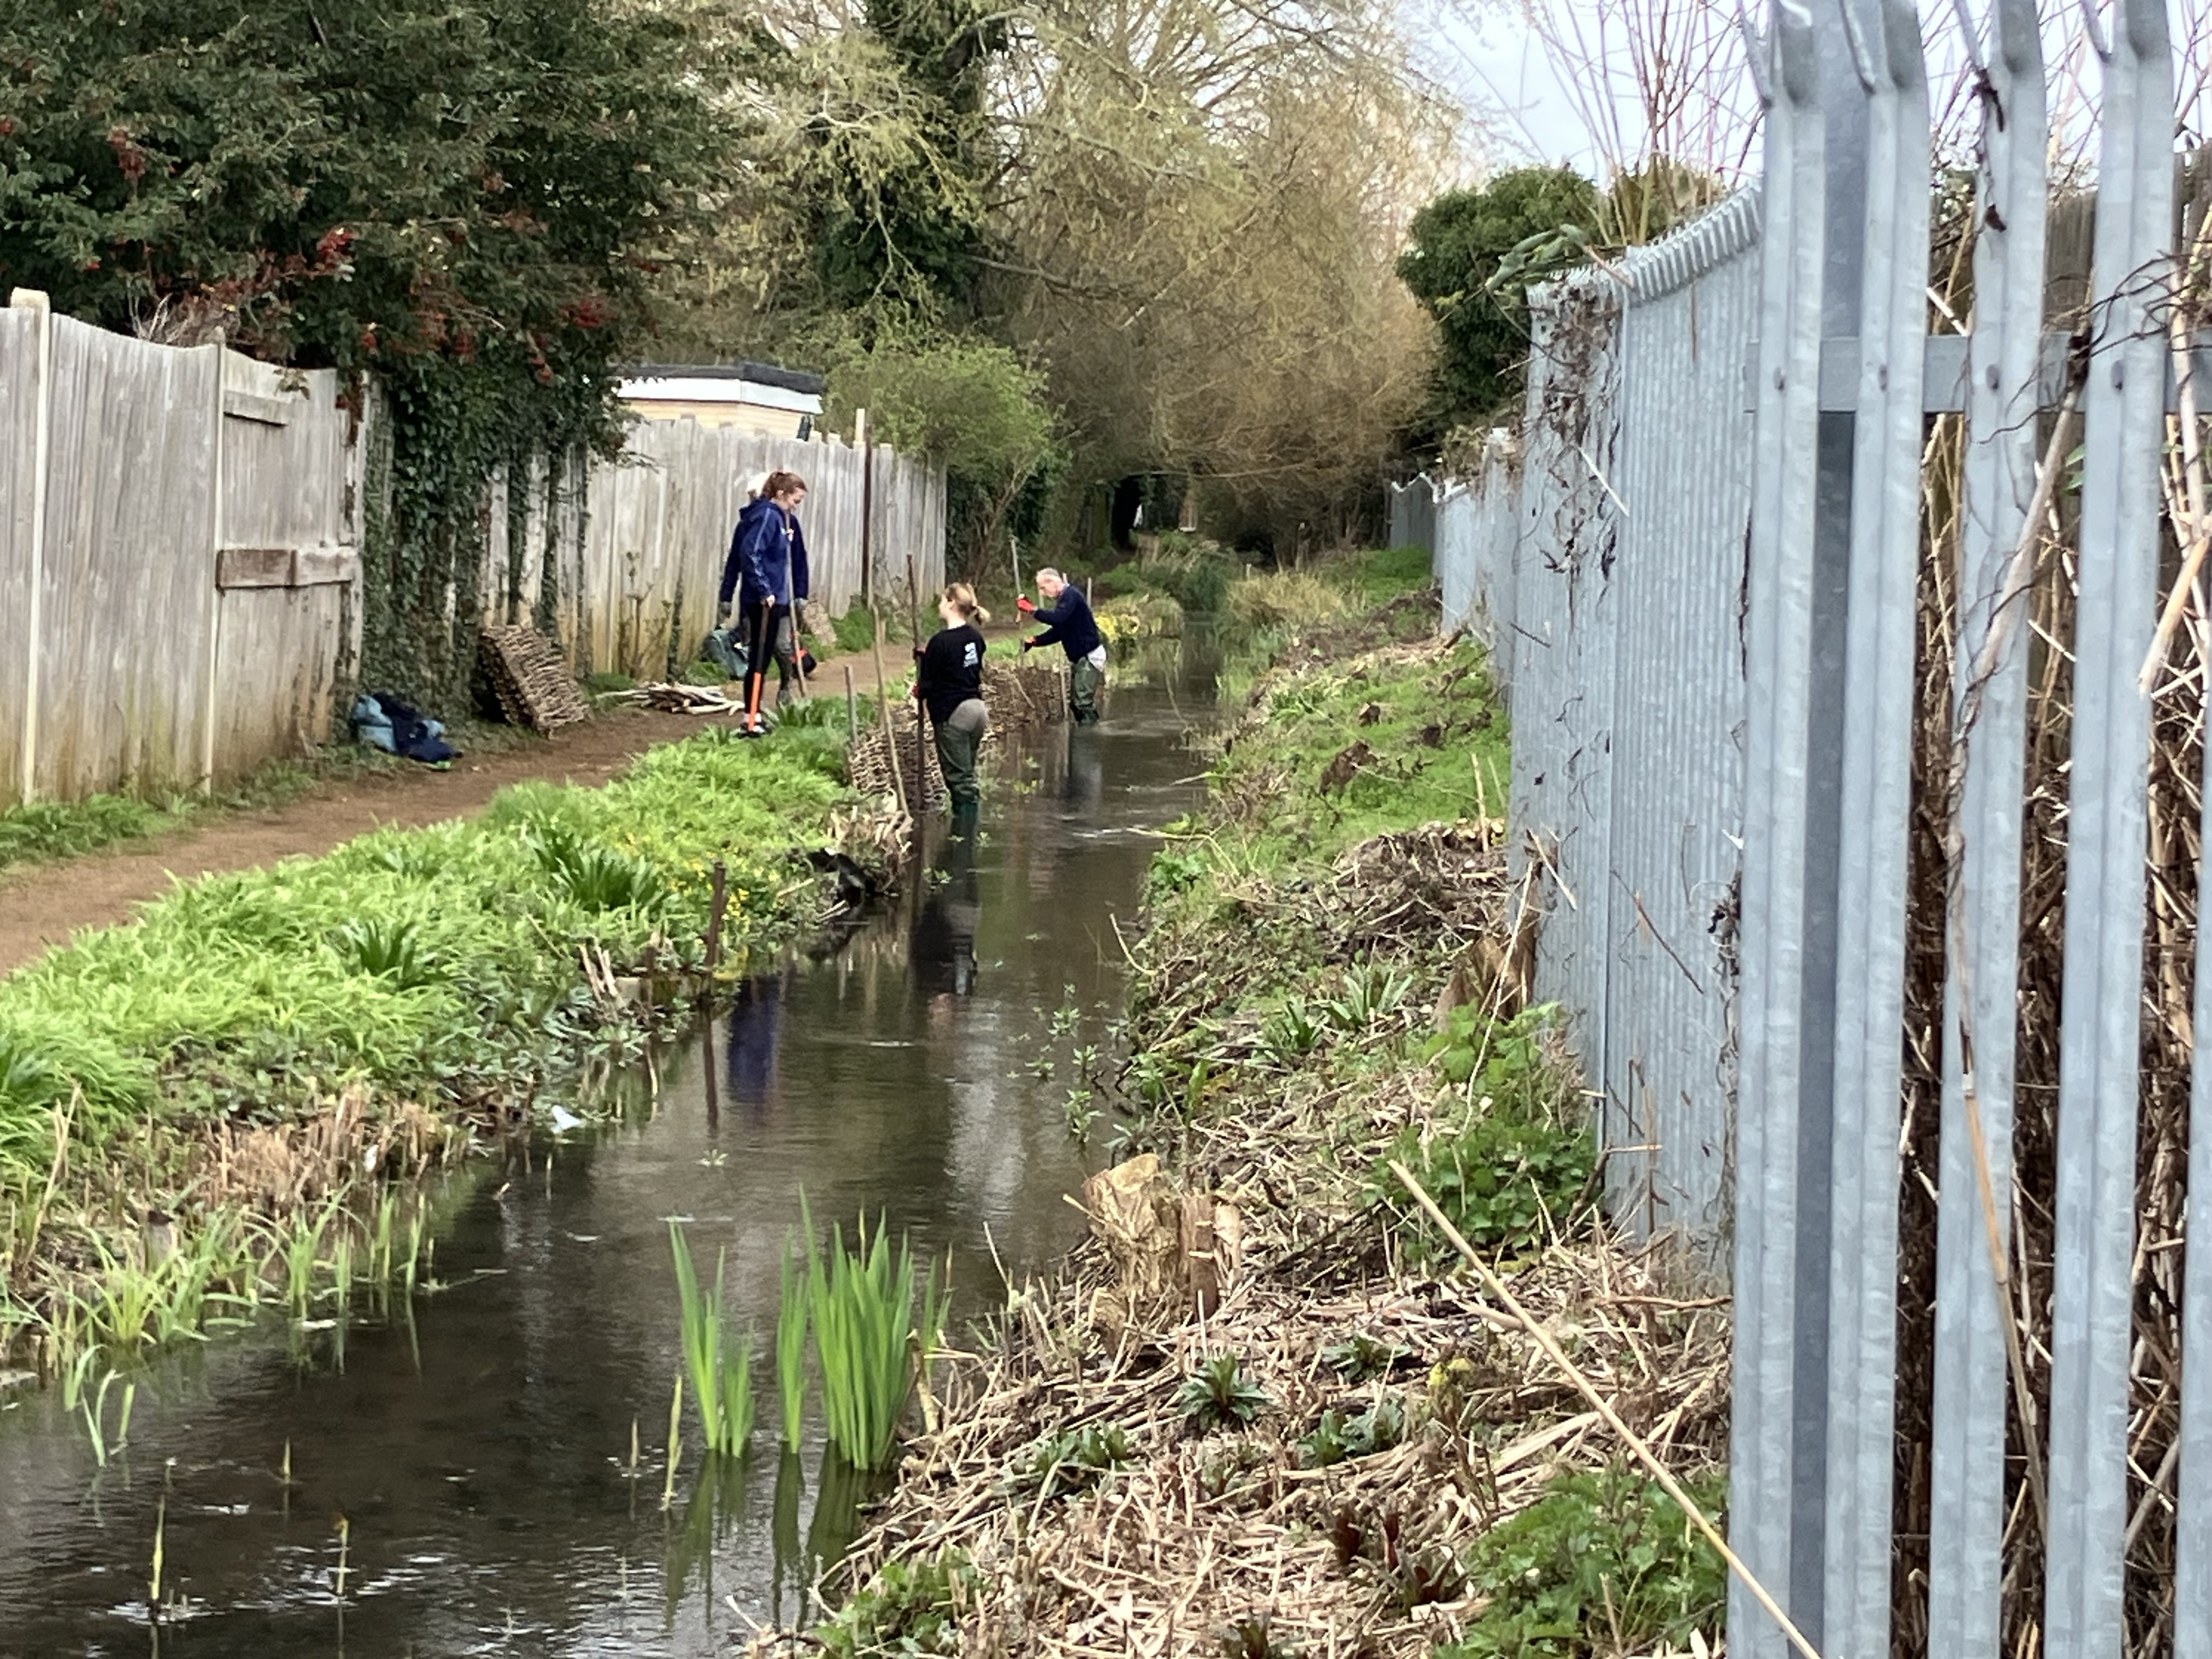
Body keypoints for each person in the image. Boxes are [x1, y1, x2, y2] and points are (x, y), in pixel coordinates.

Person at [719, 470, 809, 733]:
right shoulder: (767, 517)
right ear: (779, 493)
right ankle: (751, 718)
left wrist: (800, 593)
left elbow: (798, 559)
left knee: (766, 656)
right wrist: (763, 590)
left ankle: (756, 715)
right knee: (760, 657)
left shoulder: (786, 521)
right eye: (796, 500)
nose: (797, 506)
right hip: (764, 602)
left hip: (777, 599)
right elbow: (747, 555)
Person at [913, 583, 991, 820]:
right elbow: (961, 667)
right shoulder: (975, 638)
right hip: (977, 710)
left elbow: (928, 684)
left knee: (960, 781)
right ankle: (969, 830)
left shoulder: (941, 641)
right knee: (967, 772)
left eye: (941, 600)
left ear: (951, 603)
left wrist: (919, 688)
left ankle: (965, 834)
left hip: (954, 713)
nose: (939, 605)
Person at [1018, 567, 1105, 724]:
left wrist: (1032, 611)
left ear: (1052, 582)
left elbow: (1057, 618)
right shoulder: (1065, 599)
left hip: (1089, 656)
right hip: (1082, 658)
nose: (1043, 593)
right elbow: (1060, 631)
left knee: (1082, 702)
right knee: (1076, 704)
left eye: (1043, 588)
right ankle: (1089, 733)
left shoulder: (1071, 596)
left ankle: (1091, 738)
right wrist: (1036, 641)